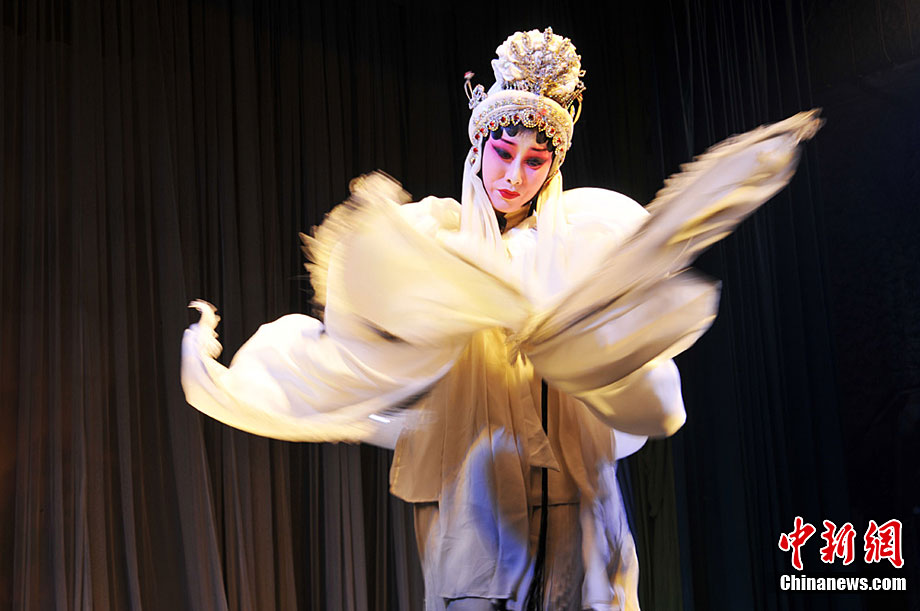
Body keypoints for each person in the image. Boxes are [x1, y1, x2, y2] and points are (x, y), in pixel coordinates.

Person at [181, 28, 820, 611]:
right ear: (479, 144)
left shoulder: (583, 243)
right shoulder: (439, 244)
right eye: (504, 152)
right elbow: (368, 338)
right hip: (476, 491)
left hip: (572, 487)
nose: (513, 175)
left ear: (554, 167)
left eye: (535, 161)